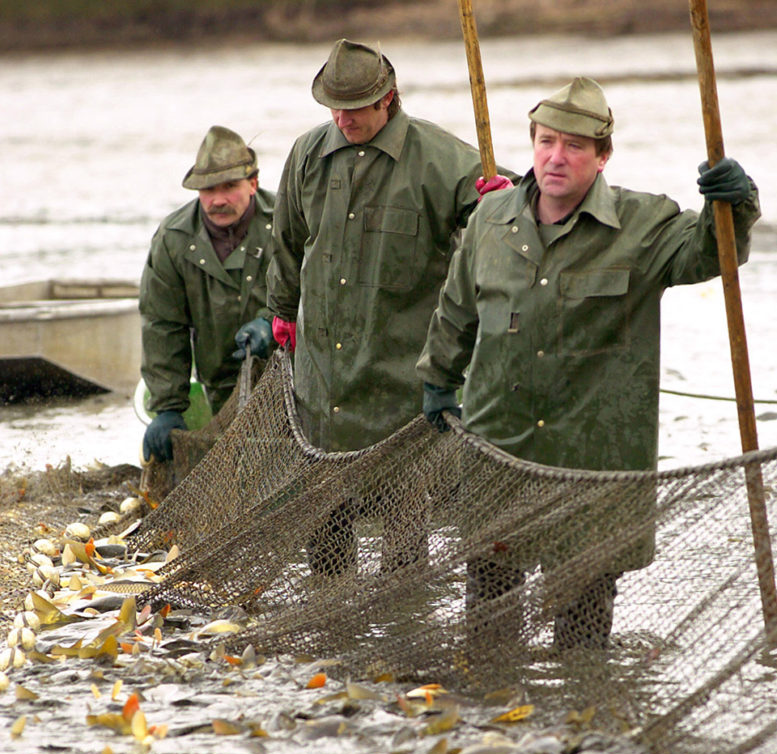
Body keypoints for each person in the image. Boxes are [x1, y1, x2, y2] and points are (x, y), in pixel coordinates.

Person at [416, 76, 761, 647]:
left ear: (602, 157)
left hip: (594, 464)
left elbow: (708, 253)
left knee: (582, 637)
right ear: (532, 144)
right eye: (547, 141)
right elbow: (457, 311)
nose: (557, 157)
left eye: (575, 146)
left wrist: (735, 205)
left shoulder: (643, 224)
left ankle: (580, 724)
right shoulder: (489, 220)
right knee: (489, 628)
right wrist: (437, 379)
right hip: (499, 452)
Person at [266, 38, 513, 573]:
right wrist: (281, 312)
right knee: (325, 533)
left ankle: (404, 623)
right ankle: (331, 611)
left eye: (354, 109)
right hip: (322, 383)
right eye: (333, 107)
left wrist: (501, 201)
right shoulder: (308, 153)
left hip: (401, 386)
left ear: (388, 100)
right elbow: (286, 241)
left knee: (405, 547)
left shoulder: (441, 156)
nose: (342, 118)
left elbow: (520, 218)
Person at [140, 125, 276, 462]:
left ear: (253, 184)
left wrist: (273, 322)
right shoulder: (173, 239)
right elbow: (162, 325)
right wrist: (168, 408)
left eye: (230, 187)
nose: (217, 200)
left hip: (291, 379)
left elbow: (320, 295)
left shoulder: (289, 222)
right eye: (207, 189)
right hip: (219, 384)